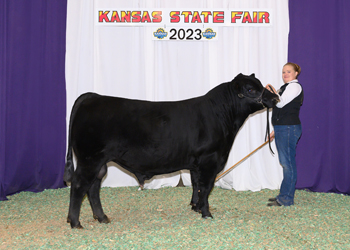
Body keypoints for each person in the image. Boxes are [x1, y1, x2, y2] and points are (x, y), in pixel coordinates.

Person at [266, 62, 304, 206]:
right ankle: (284, 195)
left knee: (287, 164)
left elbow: (280, 104)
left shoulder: (294, 86)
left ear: (296, 73)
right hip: (284, 128)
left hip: (288, 128)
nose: (285, 74)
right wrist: (276, 130)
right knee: (286, 163)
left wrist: (272, 93)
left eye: (288, 71)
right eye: (283, 72)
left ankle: (286, 198)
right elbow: (283, 109)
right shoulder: (285, 87)